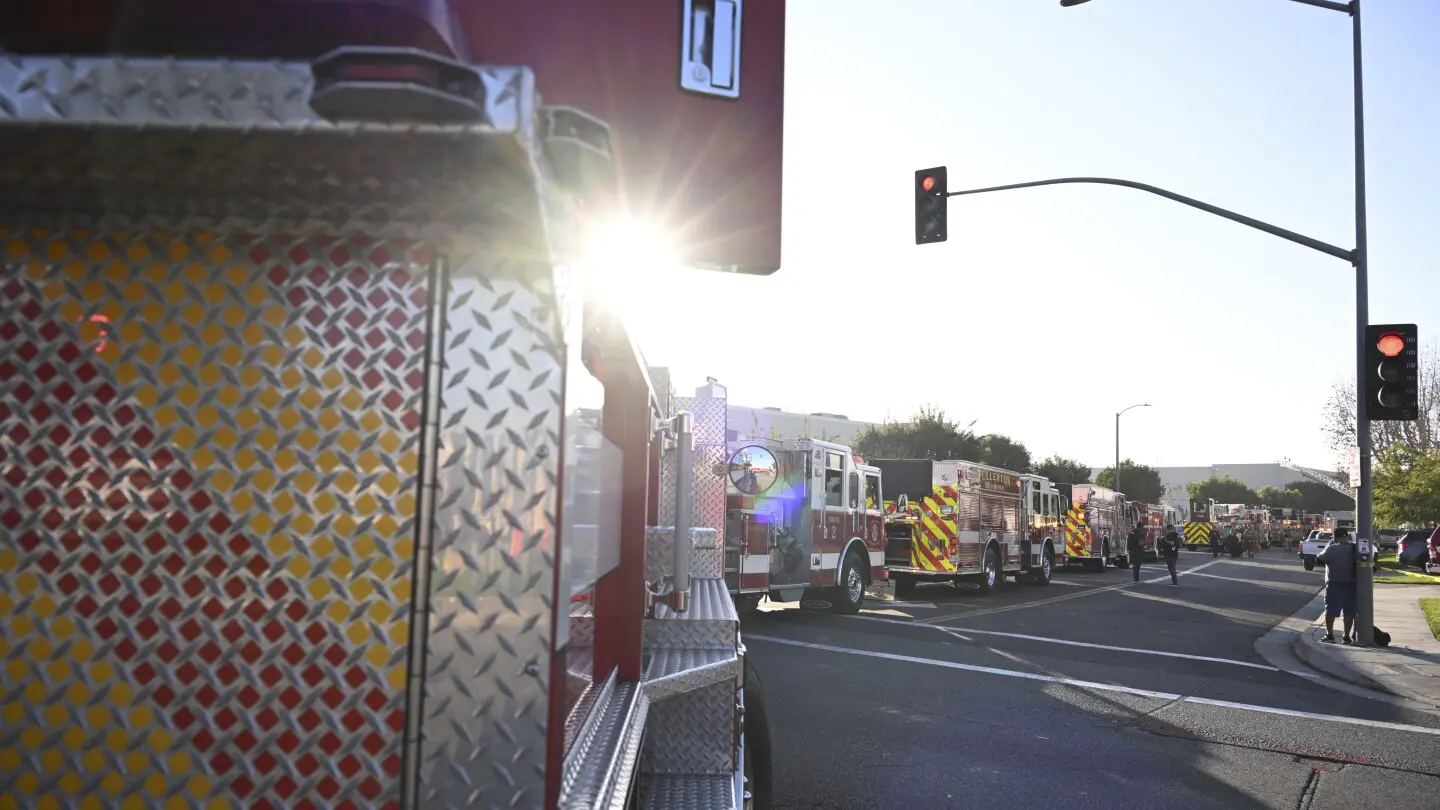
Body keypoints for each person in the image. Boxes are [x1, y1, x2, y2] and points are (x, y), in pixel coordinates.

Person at [1316, 527, 1358, 644]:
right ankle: (1346, 637)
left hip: (1334, 584)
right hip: (1351, 584)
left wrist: (1328, 545)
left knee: (1330, 611)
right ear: (1346, 536)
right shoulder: (1353, 548)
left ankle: (1330, 635)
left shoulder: (1332, 548)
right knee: (1349, 612)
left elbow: (1319, 557)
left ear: (1335, 537)